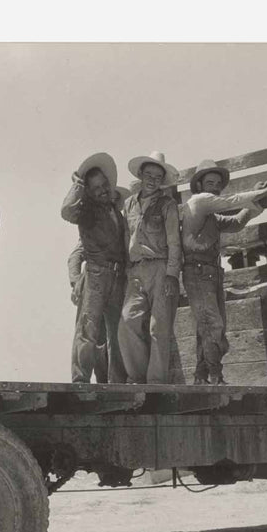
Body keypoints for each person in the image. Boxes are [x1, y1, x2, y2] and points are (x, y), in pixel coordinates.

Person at [181, 159, 267, 384]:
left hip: (211, 273)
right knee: (212, 325)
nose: (214, 186)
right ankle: (215, 376)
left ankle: (201, 376)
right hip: (198, 272)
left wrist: (255, 201)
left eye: (217, 183)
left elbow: (235, 223)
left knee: (209, 326)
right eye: (210, 182)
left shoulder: (211, 215)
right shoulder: (199, 201)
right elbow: (231, 201)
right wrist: (261, 192)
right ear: (200, 186)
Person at [61, 153, 130, 384]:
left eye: (104, 185)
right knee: (88, 330)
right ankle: (80, 381)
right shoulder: (86, 212)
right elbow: (67, 211)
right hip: (96, 274)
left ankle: (117, 382)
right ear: (88, 191)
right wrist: (77, 185)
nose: (102, 190)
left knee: (117, 332)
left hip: (118, 276)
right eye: (96, 187)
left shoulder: (117, 215)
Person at [118, 150, 182, 384]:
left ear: (162, 180)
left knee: (158, 328)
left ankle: (156, 384)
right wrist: (127, 269)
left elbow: (174, 241)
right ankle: (137, 378)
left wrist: (172, 275)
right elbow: (127, 237)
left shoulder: (168, 205)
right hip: (136, 270)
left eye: (158, 176)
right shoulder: (129, 204)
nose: (152, 180)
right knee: (127, 322)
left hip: (160, 268)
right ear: (141, 175)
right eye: (149, 175)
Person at [68, 238, 110, 383]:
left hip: (115, 284)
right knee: (87, 330)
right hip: (93, 283)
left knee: (109, 336)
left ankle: (105, 379)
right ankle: (80, 378)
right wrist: (76, 282)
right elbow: (75, 255)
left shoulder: (120, 223)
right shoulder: (95, 225)